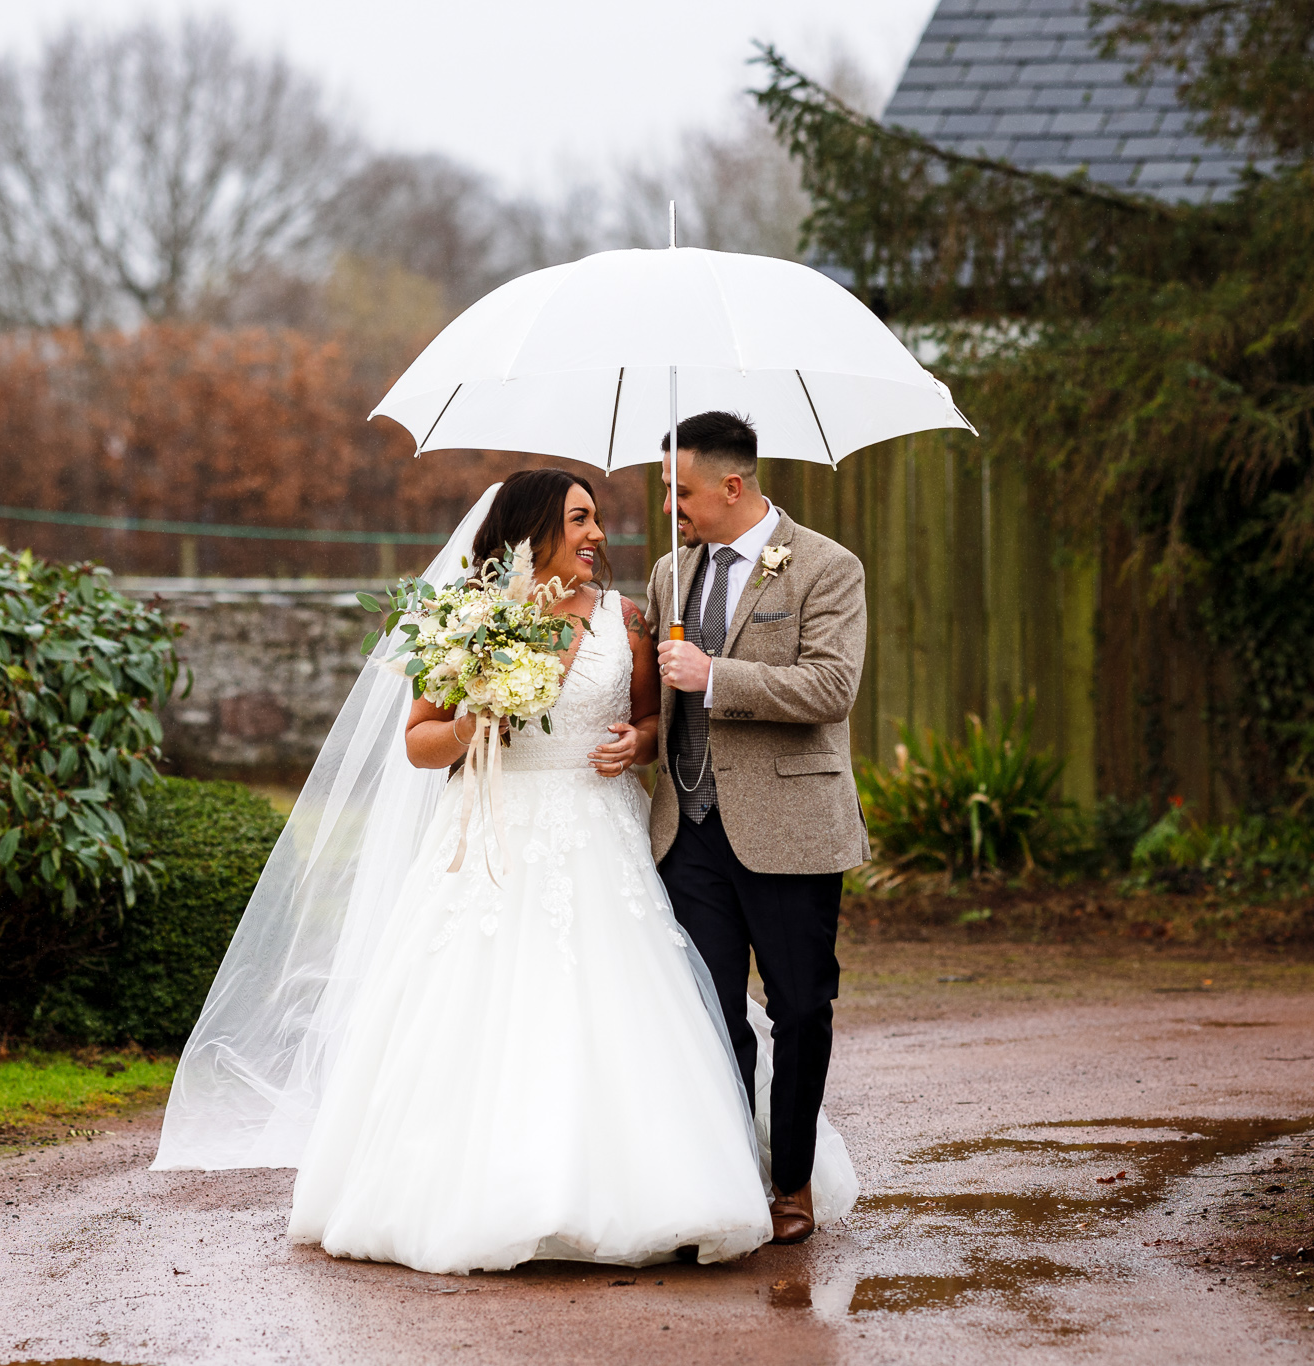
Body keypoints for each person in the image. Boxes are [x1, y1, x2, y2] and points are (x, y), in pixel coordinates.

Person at [151, 468, 855, 1276]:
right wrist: (474, 727)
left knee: (630, 1011)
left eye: (598, 520)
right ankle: (479, 1191)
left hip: (601, 838)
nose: (597, 536)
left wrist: (639, 744)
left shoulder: (626, 619)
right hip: (490, 841)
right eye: (580, 520)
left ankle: (667, 1189)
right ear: (530, 532)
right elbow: (420, 740)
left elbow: (657, 717)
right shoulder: (464, 623)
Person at [650, 411, 871, 1246]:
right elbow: (657, 701)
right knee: (710, 1014)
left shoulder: (825, 567)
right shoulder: (672, 575)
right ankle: (728, 1177)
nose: (671, 504)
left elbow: (831, 689)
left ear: (731, 487)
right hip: (689, 830)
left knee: (801, 1009)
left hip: (789, 828)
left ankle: (793, 1184)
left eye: (681, 489)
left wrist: (717, 677)